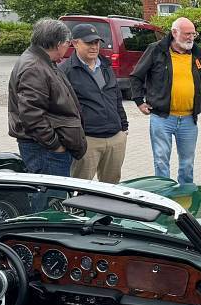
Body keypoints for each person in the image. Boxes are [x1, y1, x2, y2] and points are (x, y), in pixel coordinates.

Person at [130, 17, 201, 185]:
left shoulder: (198, 53)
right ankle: (164, 195)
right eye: (187, 34)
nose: (191, 38)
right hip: (162, 118)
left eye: (193, 34)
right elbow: (136, 76)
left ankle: (185, 196)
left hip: (189, 119)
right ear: (174, 33)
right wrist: (139, 101)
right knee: (161, 160)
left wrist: (198, 98)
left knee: (187, 164)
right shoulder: (156, 50)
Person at [7, 18, 86, 177]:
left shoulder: (43, 61)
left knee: (56, 192)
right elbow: (31, 115)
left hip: (46, 149)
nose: (68, 48)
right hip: (45, 151)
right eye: (68, 43)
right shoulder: (34, 67)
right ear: (58, 44)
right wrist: (55, 145)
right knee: (52, 192)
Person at [60, 23, 128, 183]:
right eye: (89, 43)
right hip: (87, 140)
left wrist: (123, 128)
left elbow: (116, 97)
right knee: (80, 187)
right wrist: (75, 137)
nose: (94, 47)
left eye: (96, 42)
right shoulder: (65, 71)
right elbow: (62, 108)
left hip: (115, 137)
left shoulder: (106, 66)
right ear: (75, 43)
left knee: (111, 188)